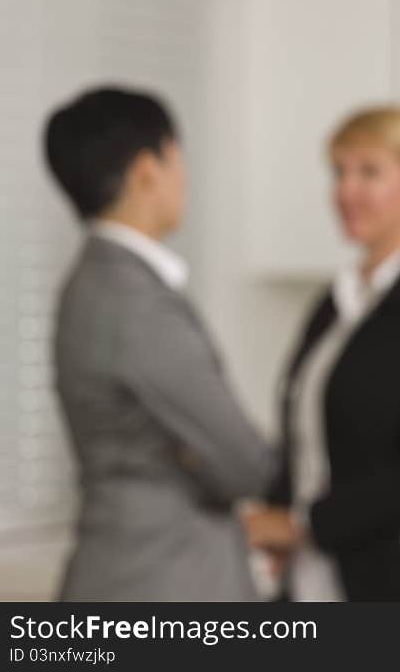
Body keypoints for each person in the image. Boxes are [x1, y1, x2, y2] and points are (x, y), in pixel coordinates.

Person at [241, 106, 400, 601]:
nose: (346, 190)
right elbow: (308, 441)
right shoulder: (333, 304)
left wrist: (302, 524)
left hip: (392, 583)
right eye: (340, 172)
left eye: (369, 172)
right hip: (303, 582)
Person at [45, 87, 274, 601]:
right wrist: (211, 452)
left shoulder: (92, 283)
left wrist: (195, 450)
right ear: (147, 170)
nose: (183, 176)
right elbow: (245, 462)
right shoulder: (133, 299)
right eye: (177, 157)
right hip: (159, 584)